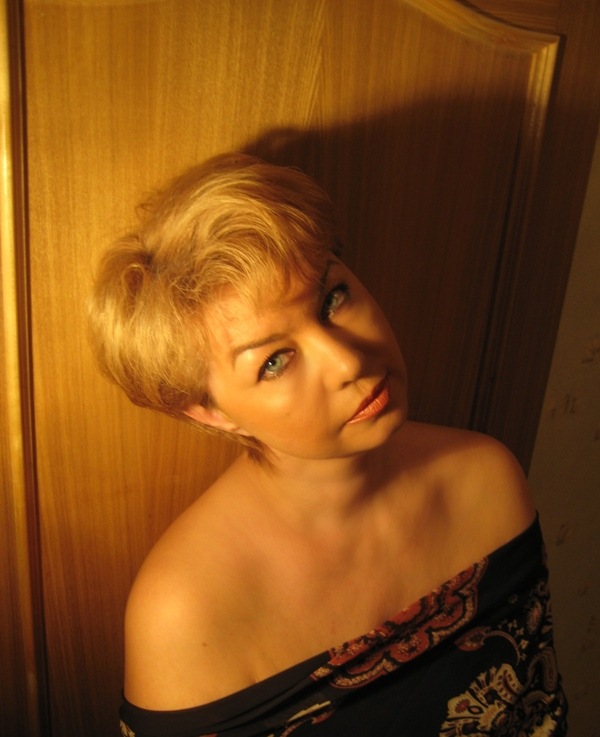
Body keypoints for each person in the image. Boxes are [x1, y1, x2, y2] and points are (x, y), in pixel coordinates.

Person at [89, 153, 567, 737]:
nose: (348, 361)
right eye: (274, 361)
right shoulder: (185, 611)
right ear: (210, 412)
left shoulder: (485, 479)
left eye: (332, 299)